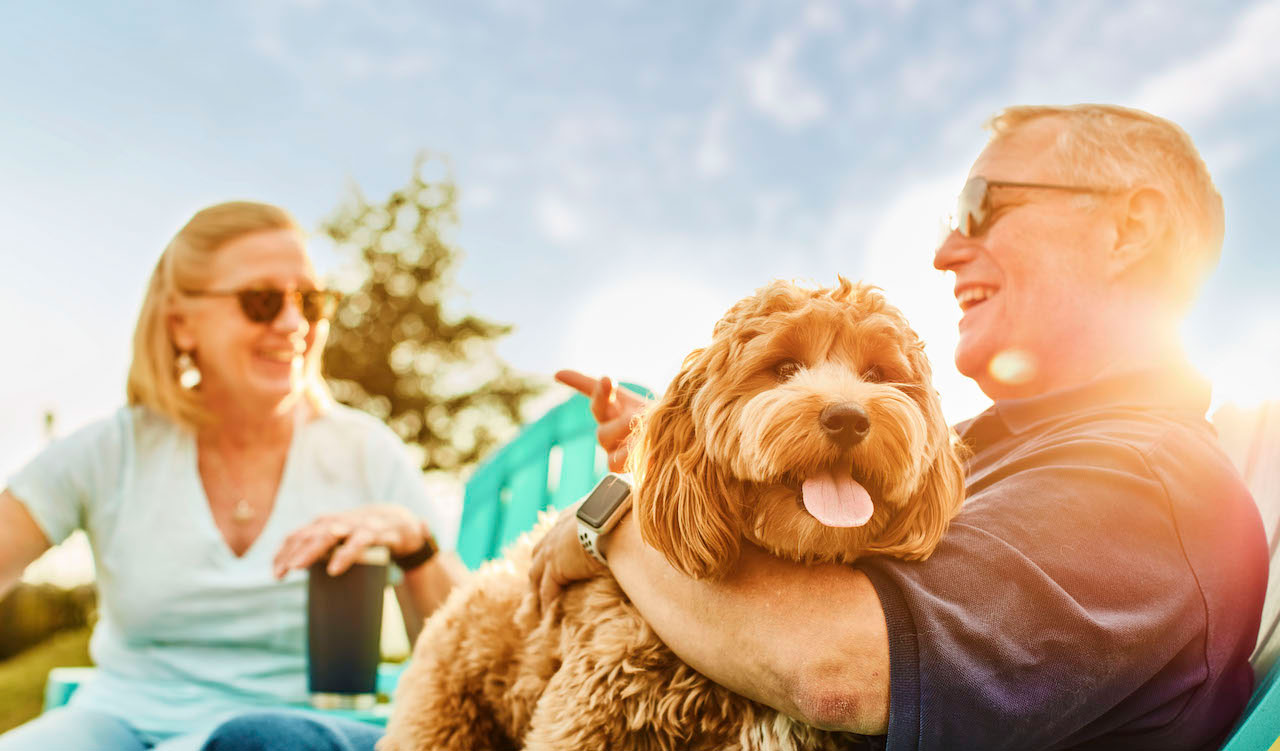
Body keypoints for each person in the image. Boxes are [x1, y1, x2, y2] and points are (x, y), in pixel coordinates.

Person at [200, 104, 1269, 750]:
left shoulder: (1138, 482)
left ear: (1128, 226)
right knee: (256, 736)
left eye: (982, 204)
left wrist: (610, 517)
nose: (946, 248)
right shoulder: (1018, 447)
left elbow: (836, 669)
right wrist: (674, 466)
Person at [0, 201, 467, 750]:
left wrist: (416, 549)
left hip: (285, 736)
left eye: (311, 301)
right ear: (181, 323)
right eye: (262, 301)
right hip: (115, 725)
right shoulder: (111, 450)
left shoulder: (365, 452)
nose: (295, 324)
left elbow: (470, 665)